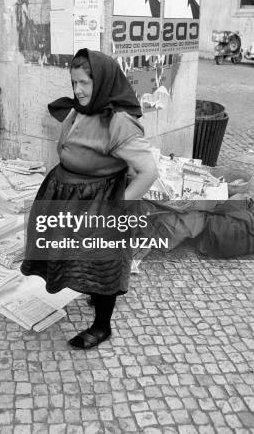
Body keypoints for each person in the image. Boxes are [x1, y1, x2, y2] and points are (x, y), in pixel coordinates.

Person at [21, 48, 158, 349]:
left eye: (85, 83)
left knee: (102, 262)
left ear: (104, 82)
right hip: (71, 195)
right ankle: (95, 295)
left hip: (100, 201)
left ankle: (102, 327)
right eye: (74, 83)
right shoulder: (80, 109)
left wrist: (116, 208)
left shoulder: (119, 122)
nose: (78, 90)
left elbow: (149, 172)